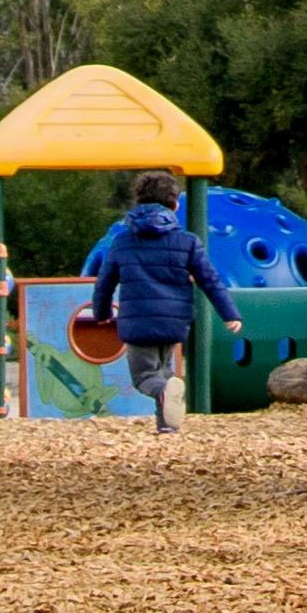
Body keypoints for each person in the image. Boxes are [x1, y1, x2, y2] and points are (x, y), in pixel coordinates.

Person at [79, 169, 229, 433]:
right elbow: (210, 279)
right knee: (164, 372)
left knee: (145, 377)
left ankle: (163, 396)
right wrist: (230, 314)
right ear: (175, 204)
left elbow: (105, 282)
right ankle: (167, 426)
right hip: (174, 322)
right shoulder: (188, 242)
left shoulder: (122, 241)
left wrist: (100, 313)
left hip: (139, 323)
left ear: (139, 202)